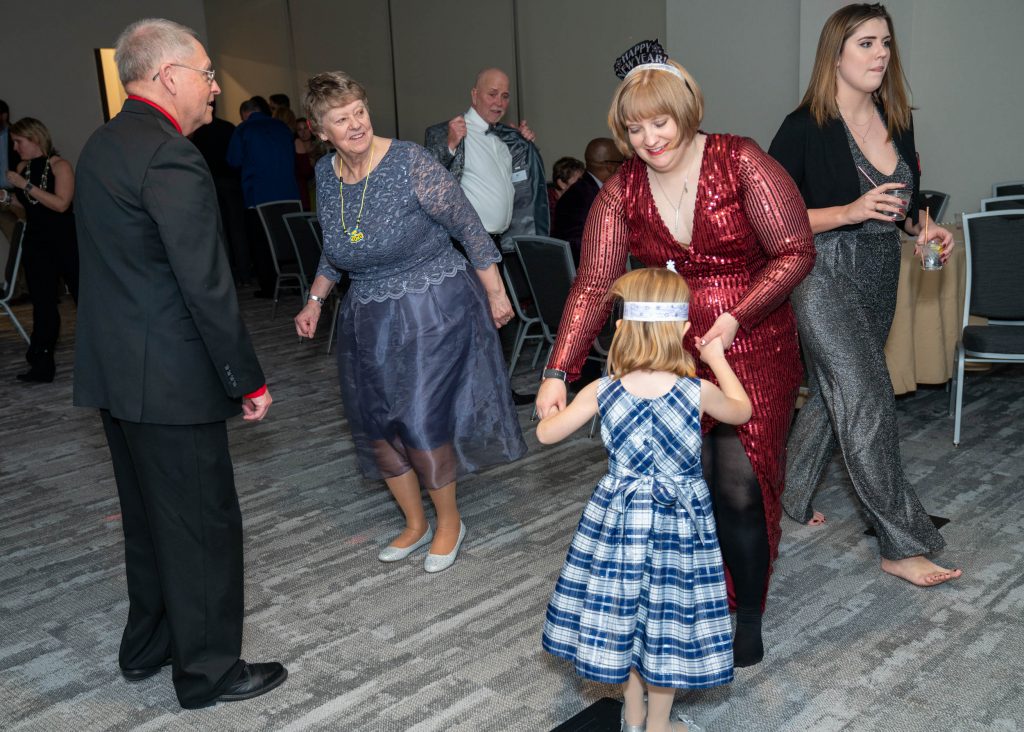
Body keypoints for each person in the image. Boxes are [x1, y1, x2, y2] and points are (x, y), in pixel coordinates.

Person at [535, 40, 815, 668]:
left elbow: (796, 250)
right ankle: (700, 594)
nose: (649, 139)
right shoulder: (621, 190)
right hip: (668, 351)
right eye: (634, 129)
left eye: (659, 122)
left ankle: (747, 612)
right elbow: (594, 283)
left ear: (685, 111)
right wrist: (558, 370)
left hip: (753, 343)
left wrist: (737, 315)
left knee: (740, 482)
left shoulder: (741, 161)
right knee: (685, 486)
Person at [74, 18, 286, 709]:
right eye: (207, 74)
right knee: (201, 527)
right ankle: (209, 672)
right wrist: (248, 378)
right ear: (169, 77)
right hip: (171, 378)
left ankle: (148, 644)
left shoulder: (103, 143)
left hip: (117, 373)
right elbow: (206, 285)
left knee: (148, 520)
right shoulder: (171, 156)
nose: (216, 87)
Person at [294, 71, 526, 573]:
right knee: (377, 422)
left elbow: (468, 226)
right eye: (341, 119)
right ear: (320, 130)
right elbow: (338, 246)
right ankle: (415, 522)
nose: (356, 124)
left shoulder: (409, 162)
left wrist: (495, 293)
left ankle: (449, 522)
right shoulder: (326, 175)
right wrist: (315, 300)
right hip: (367, 314)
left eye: (359, 111)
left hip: (432, 304)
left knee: (420, 416)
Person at [768, 3, 960, 587]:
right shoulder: (802, 126)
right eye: (866, 43)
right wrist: (847, 212)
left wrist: (925, 228)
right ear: (835, 53)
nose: (880, 54)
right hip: (821, 273)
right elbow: (770, 216)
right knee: (868, 398)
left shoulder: (896, 119)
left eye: (885, 43)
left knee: (837, 399)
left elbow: (906, 207)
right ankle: (901, 543)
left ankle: (785, 497)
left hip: (880, 272)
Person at [539, 267, 751, 732]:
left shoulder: (601, 390)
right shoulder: (696, 391)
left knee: (625, 617)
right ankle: (658, 724)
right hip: (679, 526)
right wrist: (716, 358)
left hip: (619, 523)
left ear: (620, 328)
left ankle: (632, 717)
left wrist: (550, 398)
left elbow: (546, 434)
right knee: (666, 621)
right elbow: (742, 410)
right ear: (683, 329)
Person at [424, 67, 549, 405]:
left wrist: (525, 145)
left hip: (494, 243)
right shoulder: (445, 132)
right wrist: (451, 145)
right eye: (492, 94)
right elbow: (429, 181)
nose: (499, 101)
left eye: (505, 96)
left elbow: (523, 186)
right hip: (461, 246)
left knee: (495, 319)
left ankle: (495, 393)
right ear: (474, 94)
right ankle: (463, 398)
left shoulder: (504, 139)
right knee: (465, 324)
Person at [1, 117, 79, 383]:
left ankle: (108, 354)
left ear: (34, 139)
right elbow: (27, 207)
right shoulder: (22, 168)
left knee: (83, 297)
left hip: (65, 241)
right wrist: (7, 198)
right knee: (43, 304)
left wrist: (24, 186)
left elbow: (61, 205)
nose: (14, 148)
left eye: (18, 142)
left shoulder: (60, 166)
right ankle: (42, 364)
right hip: (37, 243)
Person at [227, 95, 300, 298]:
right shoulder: (282, 127)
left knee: (262, 244)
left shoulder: (243, 129)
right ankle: (296, 282)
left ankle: (270, 288)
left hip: (258, 196)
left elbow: (233, 160)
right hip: (289, 193)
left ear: (245, 113)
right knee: (289, 239)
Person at [552, 137, 624, 263]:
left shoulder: (589, 190)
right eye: (621, 163)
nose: (623, 169)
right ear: (610, 166)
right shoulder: (577, 198)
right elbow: (575, 245)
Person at [547, 155, 584, 229]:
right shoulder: (546, 205)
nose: (583, 185)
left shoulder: (573, 201)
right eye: (578, 181)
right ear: (561, 183)